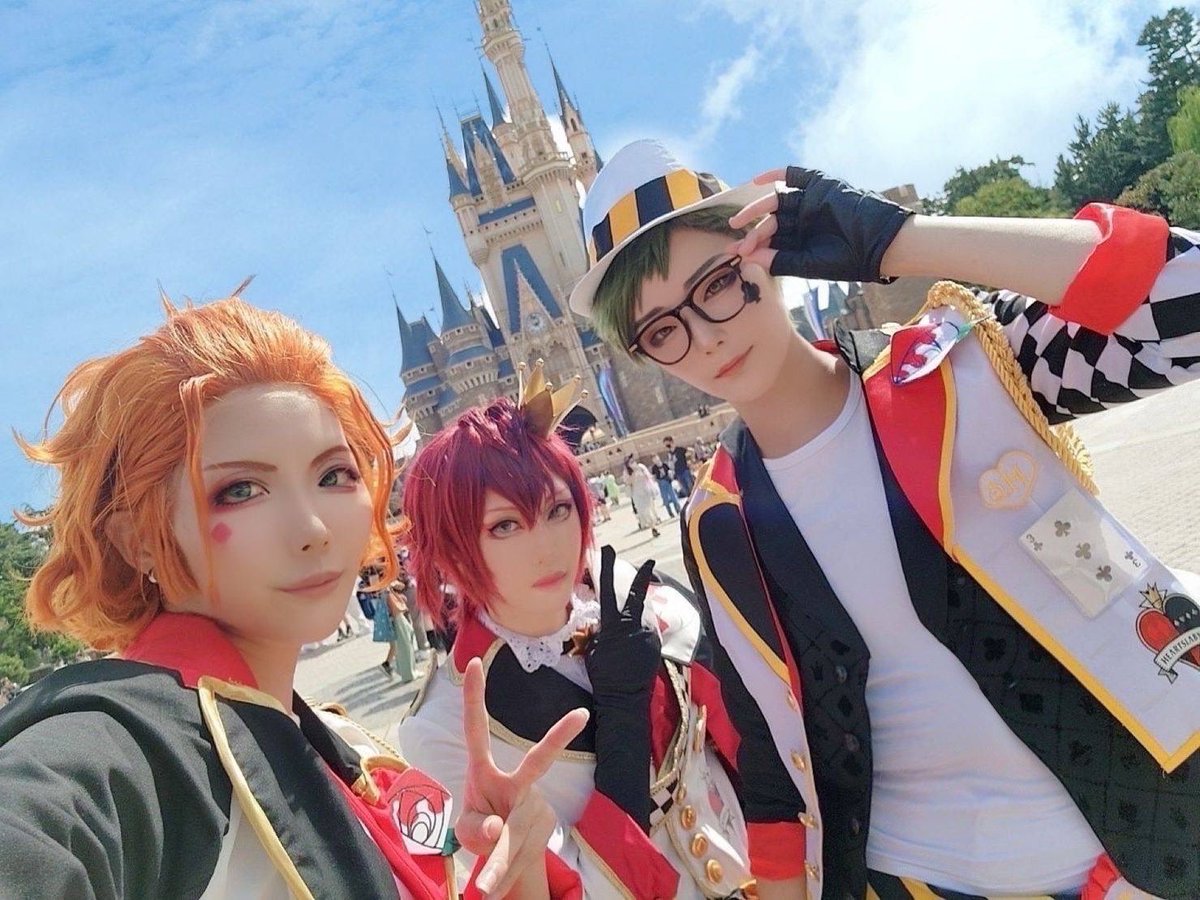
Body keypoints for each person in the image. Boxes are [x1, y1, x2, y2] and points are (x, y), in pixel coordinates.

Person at [570, 139, 1200, 900]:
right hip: (915, 878)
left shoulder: (957, 365)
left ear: (765, 250)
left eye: (717, 284)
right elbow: (771, 762)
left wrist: (900, 241)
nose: (705, 337)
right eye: (661, 330)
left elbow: (1186, 302)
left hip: (1151, 832)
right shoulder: (716, 521)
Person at [0, 294, 588, 899]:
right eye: (241, 490)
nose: (313, 528)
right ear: (139, 541)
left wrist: (519, 874)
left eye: (334, 475)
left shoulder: (350, 748)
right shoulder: (130, 753)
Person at [395, 387, 769, 899]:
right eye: (504, 526)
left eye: (558, 509)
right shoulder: (442, 727)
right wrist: (621, 716)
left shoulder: (634, 597)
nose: (547, 547)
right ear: (451, 552)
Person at [622, 454, 661, 538]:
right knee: (644, 512)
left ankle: (654, 527)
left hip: (646, 490)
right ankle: (653, 527)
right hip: (637, 494)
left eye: (633, 461)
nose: (633, 463)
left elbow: (648, 477)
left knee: (650, 509)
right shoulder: (627, 472)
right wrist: (633, 473)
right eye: (631, 462)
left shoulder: (641, 467)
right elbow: (628, 482)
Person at [650, 453, 682, 518]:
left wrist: (671, 477)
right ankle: (670, 513)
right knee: (665, 499)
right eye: (653, 459)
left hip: (668, 481)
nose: (655, 460)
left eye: (656, 457)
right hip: (661, 483)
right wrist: (656, 482)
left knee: (673, 496)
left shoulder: (664, 464)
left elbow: (670, 471)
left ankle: (678, 510)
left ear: (658, 457)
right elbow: (654, 476)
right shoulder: (654, 468)